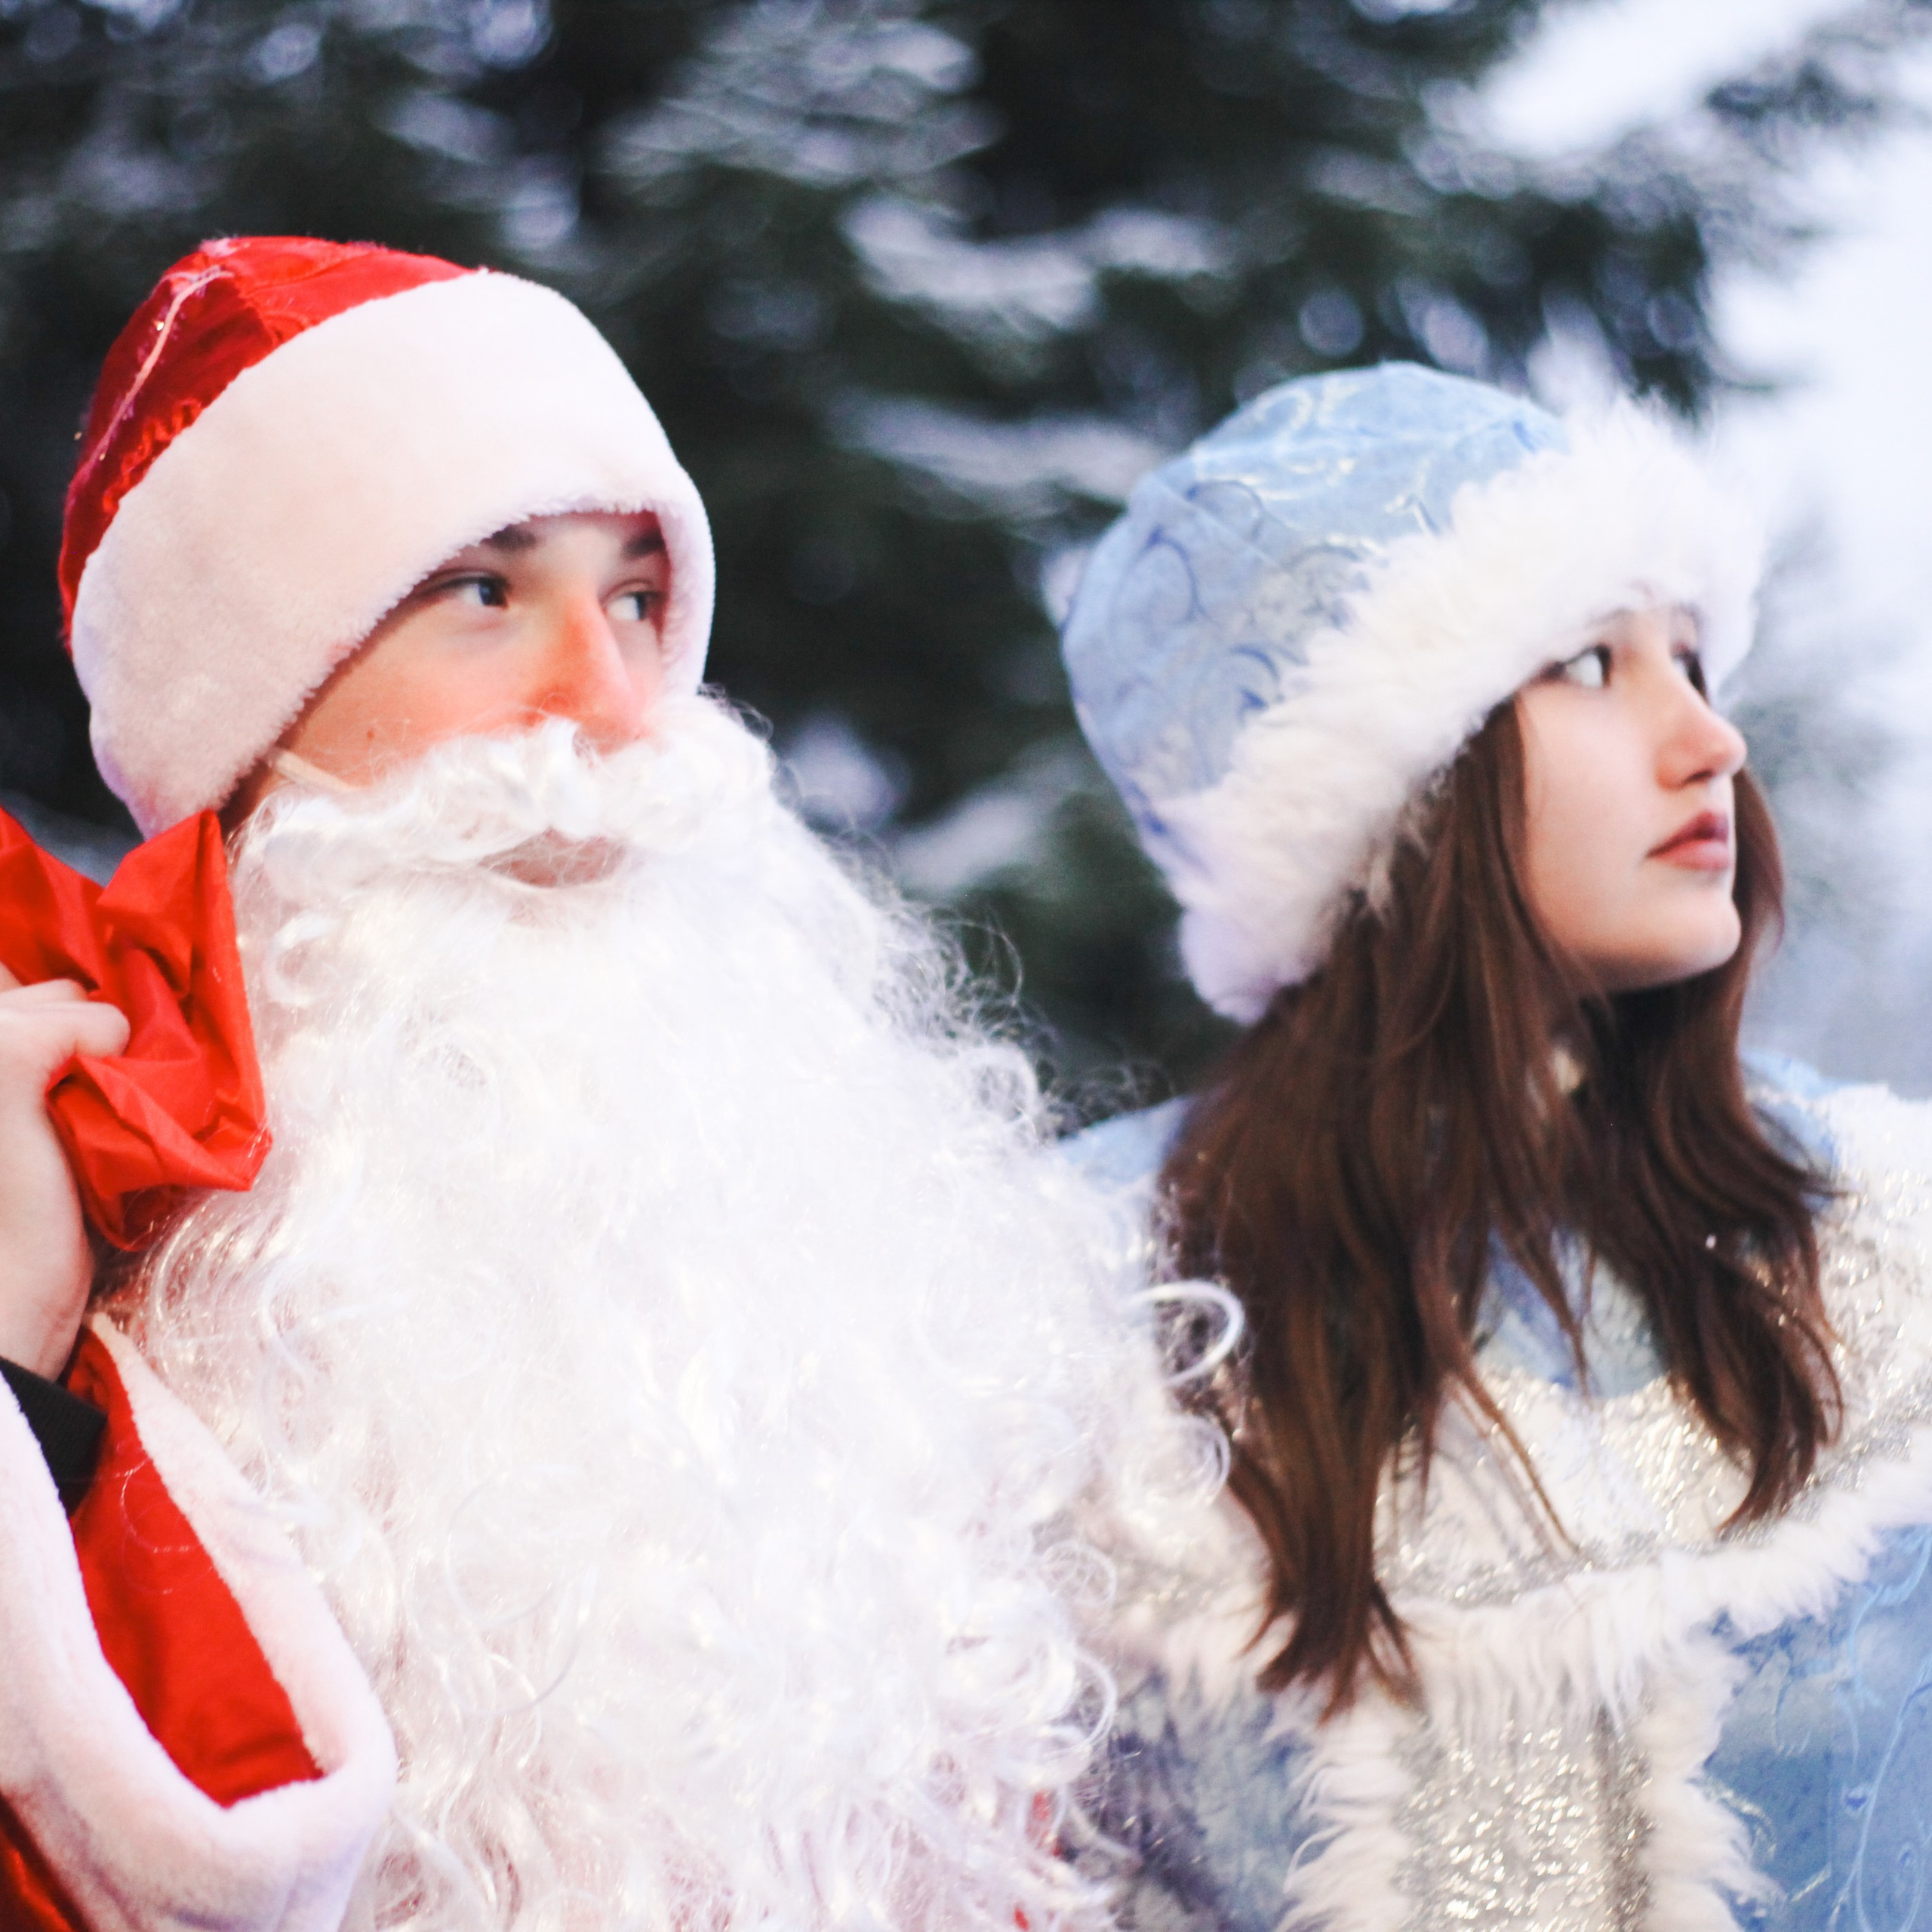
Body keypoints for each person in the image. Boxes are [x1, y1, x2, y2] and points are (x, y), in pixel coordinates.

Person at [0, 236, 1195, 1932]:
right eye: (484, 594)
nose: (614, 702)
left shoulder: (842, 1271)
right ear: (253, 710)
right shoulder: (96, 1201)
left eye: (638, 599)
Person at [1057, 363, 1932, 1932]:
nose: (1709, 739)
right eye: (1588, 661)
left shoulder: (1888, 1233)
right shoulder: (1064, 1293)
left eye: (1690, 655)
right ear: (1380, 793)